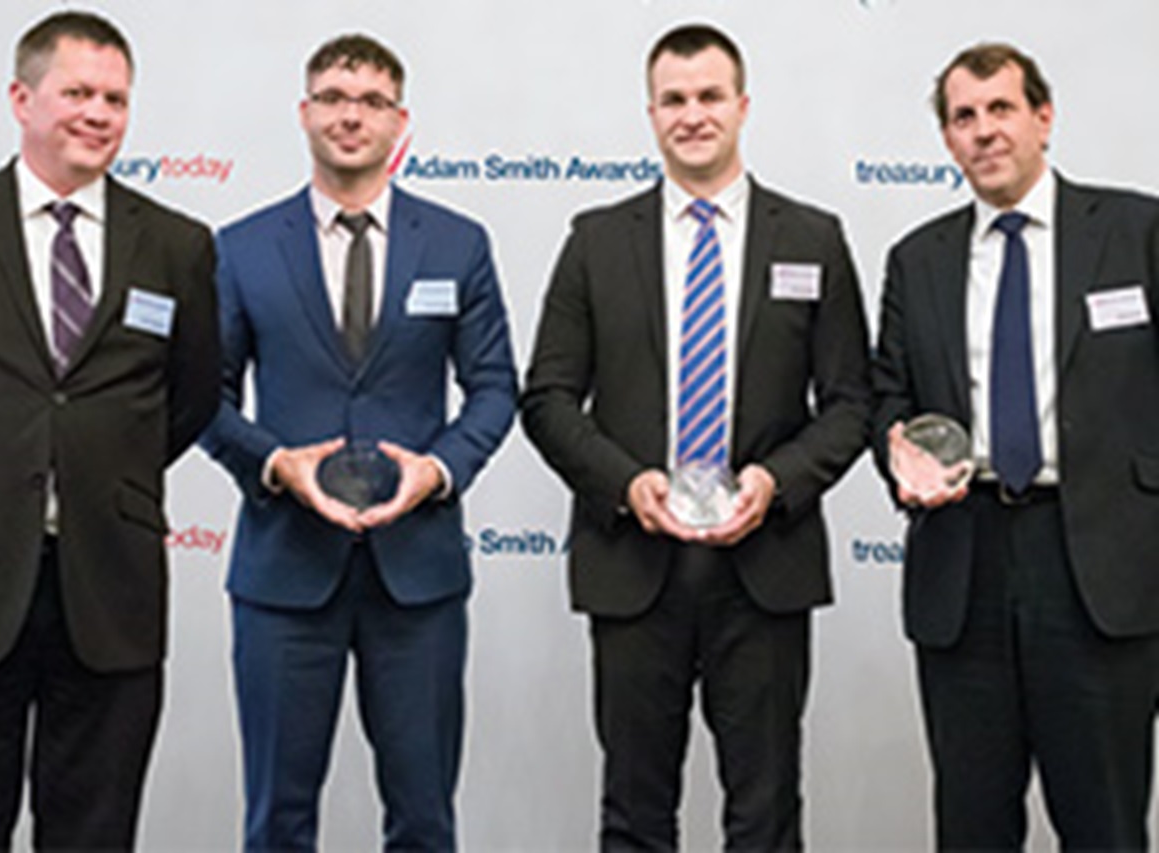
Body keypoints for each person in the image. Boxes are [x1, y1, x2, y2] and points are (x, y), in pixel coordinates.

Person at [521, 22, 870, 851]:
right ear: (651, 114)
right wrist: (624, 482)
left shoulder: (811, 238)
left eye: (710, 95)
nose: (692, 114)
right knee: (635, 814)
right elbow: (548, 397)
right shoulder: (596, 240)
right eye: (673, 99)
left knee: (766, 815)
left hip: (765, 566)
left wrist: (776, 482)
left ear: (742, 105)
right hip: (633, 564)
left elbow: (852, 401)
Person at [0, 10, 219, 850]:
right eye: (77, 93)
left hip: (111, 587)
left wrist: (99, 470)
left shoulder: (176, 245)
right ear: (21, 99)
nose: (98, 113)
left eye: (115, 98)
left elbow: (190, 399)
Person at [199, 33, 517, 852]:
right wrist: (277, 464)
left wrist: (439, 470)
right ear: (305, 113)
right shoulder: (240, 247)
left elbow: (494, 387)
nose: (351, 115)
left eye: (372, 101)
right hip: (283, 573)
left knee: (424, 819)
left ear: (399, 121)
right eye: (335, 98)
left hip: (418, 578)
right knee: (277, 821)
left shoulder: (458, 244)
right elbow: (202, 396)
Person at [872, 42, 1159, 851]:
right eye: (963, 116)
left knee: (1104, 827)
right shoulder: (917, 259)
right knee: (972, 828)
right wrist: (896, 450)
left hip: (1097, 566)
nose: (984, 130)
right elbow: (889, 394)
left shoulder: (1137, 231)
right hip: (964, 564)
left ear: (1043, 117)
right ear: (947, 139)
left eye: (1001, 108)